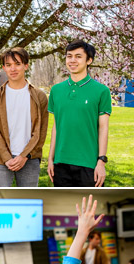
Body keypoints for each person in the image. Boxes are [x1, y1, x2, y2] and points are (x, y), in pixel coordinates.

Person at [47, 40, 111, 187]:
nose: (72, 60)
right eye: (69, 56)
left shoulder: (101, 91)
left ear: (89, 60)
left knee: (89, 209)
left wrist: (101, 161)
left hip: (89, 164)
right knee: (64, 209)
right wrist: (50, 159)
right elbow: (57, 126)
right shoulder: (56, 90)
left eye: (78, 56)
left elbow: (103, 128)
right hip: (61, 162)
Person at [0, 47, 48, 187]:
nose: (13, 69)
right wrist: (6, 158)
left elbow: (41, 131)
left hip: (30, 159)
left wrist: (25, 156)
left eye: (17, 64)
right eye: (9, 65)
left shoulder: (38, 95)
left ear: (26, 65)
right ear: (4, 68)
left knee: (29, 204)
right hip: (2, 161)